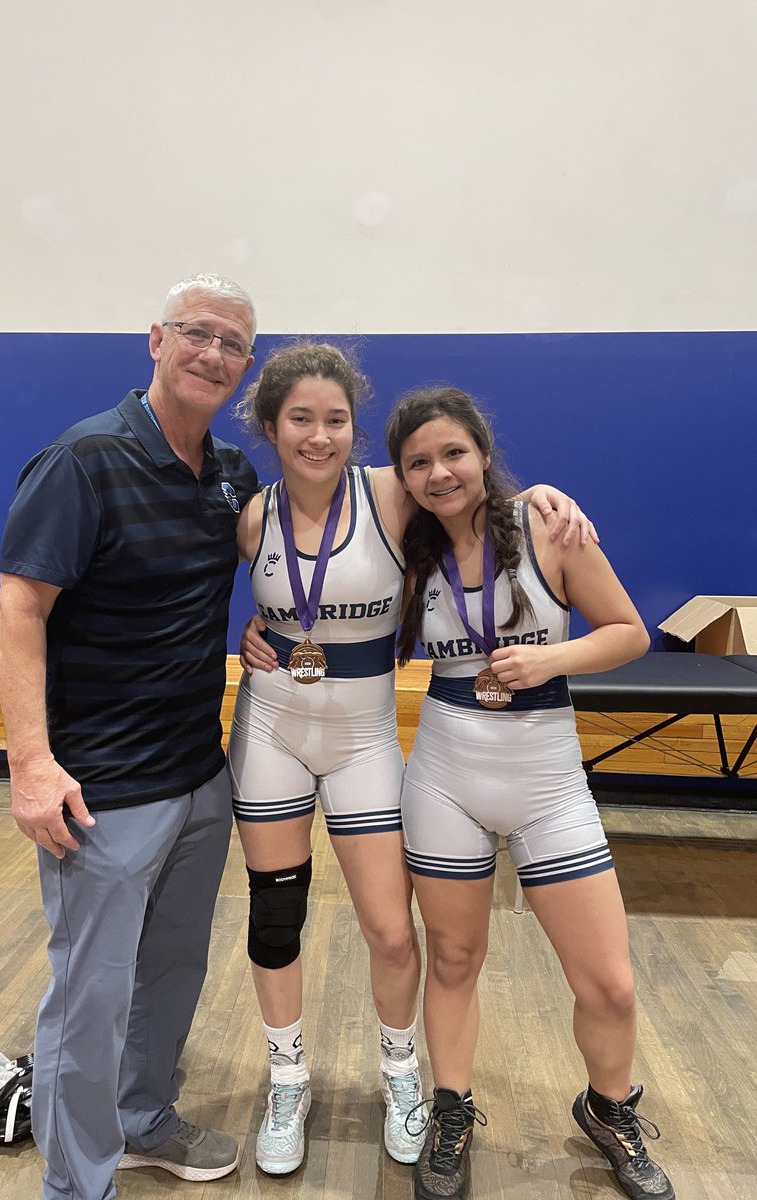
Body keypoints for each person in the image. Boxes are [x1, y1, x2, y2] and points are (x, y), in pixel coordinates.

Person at [230, 344, 590, 1177]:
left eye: (335, 420)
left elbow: (472, 491)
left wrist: (544, 495)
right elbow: (228, 605)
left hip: (362, 741)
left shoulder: (391, 494)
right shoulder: (253, 516)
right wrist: (251, 636)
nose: (318, 436)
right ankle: (289, 1079)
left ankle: (402, 1077)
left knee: (393, 932)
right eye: (299, 420)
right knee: (275, 918)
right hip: (270, 734)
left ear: (354, 428)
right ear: (270, 426)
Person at [0, 273, 259, 1200]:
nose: (212, 353)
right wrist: (31, 764)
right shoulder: (84, 460)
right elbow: (20, 609)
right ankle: (77, 1184)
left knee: (171, 976)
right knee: (90, 999)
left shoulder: (231, 472)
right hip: (100, 792)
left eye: (231, 344)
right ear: (156, 339)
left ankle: (143, 1122)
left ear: (245, 367)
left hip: (198, 775)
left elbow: (329, 515)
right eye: (197, 333)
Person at [384, 386, 674, 1200]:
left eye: (454, 454)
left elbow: (627, 632)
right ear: (401, 476)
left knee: (608, 982)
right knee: (453, 958)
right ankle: (451, 1107)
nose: (440, 473)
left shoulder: (548, 526)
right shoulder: (406, 546)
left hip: (548, 784)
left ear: (483, 452)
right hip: (445, 779)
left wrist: (549, 660)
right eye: (418, 462)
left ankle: (609, 1107)